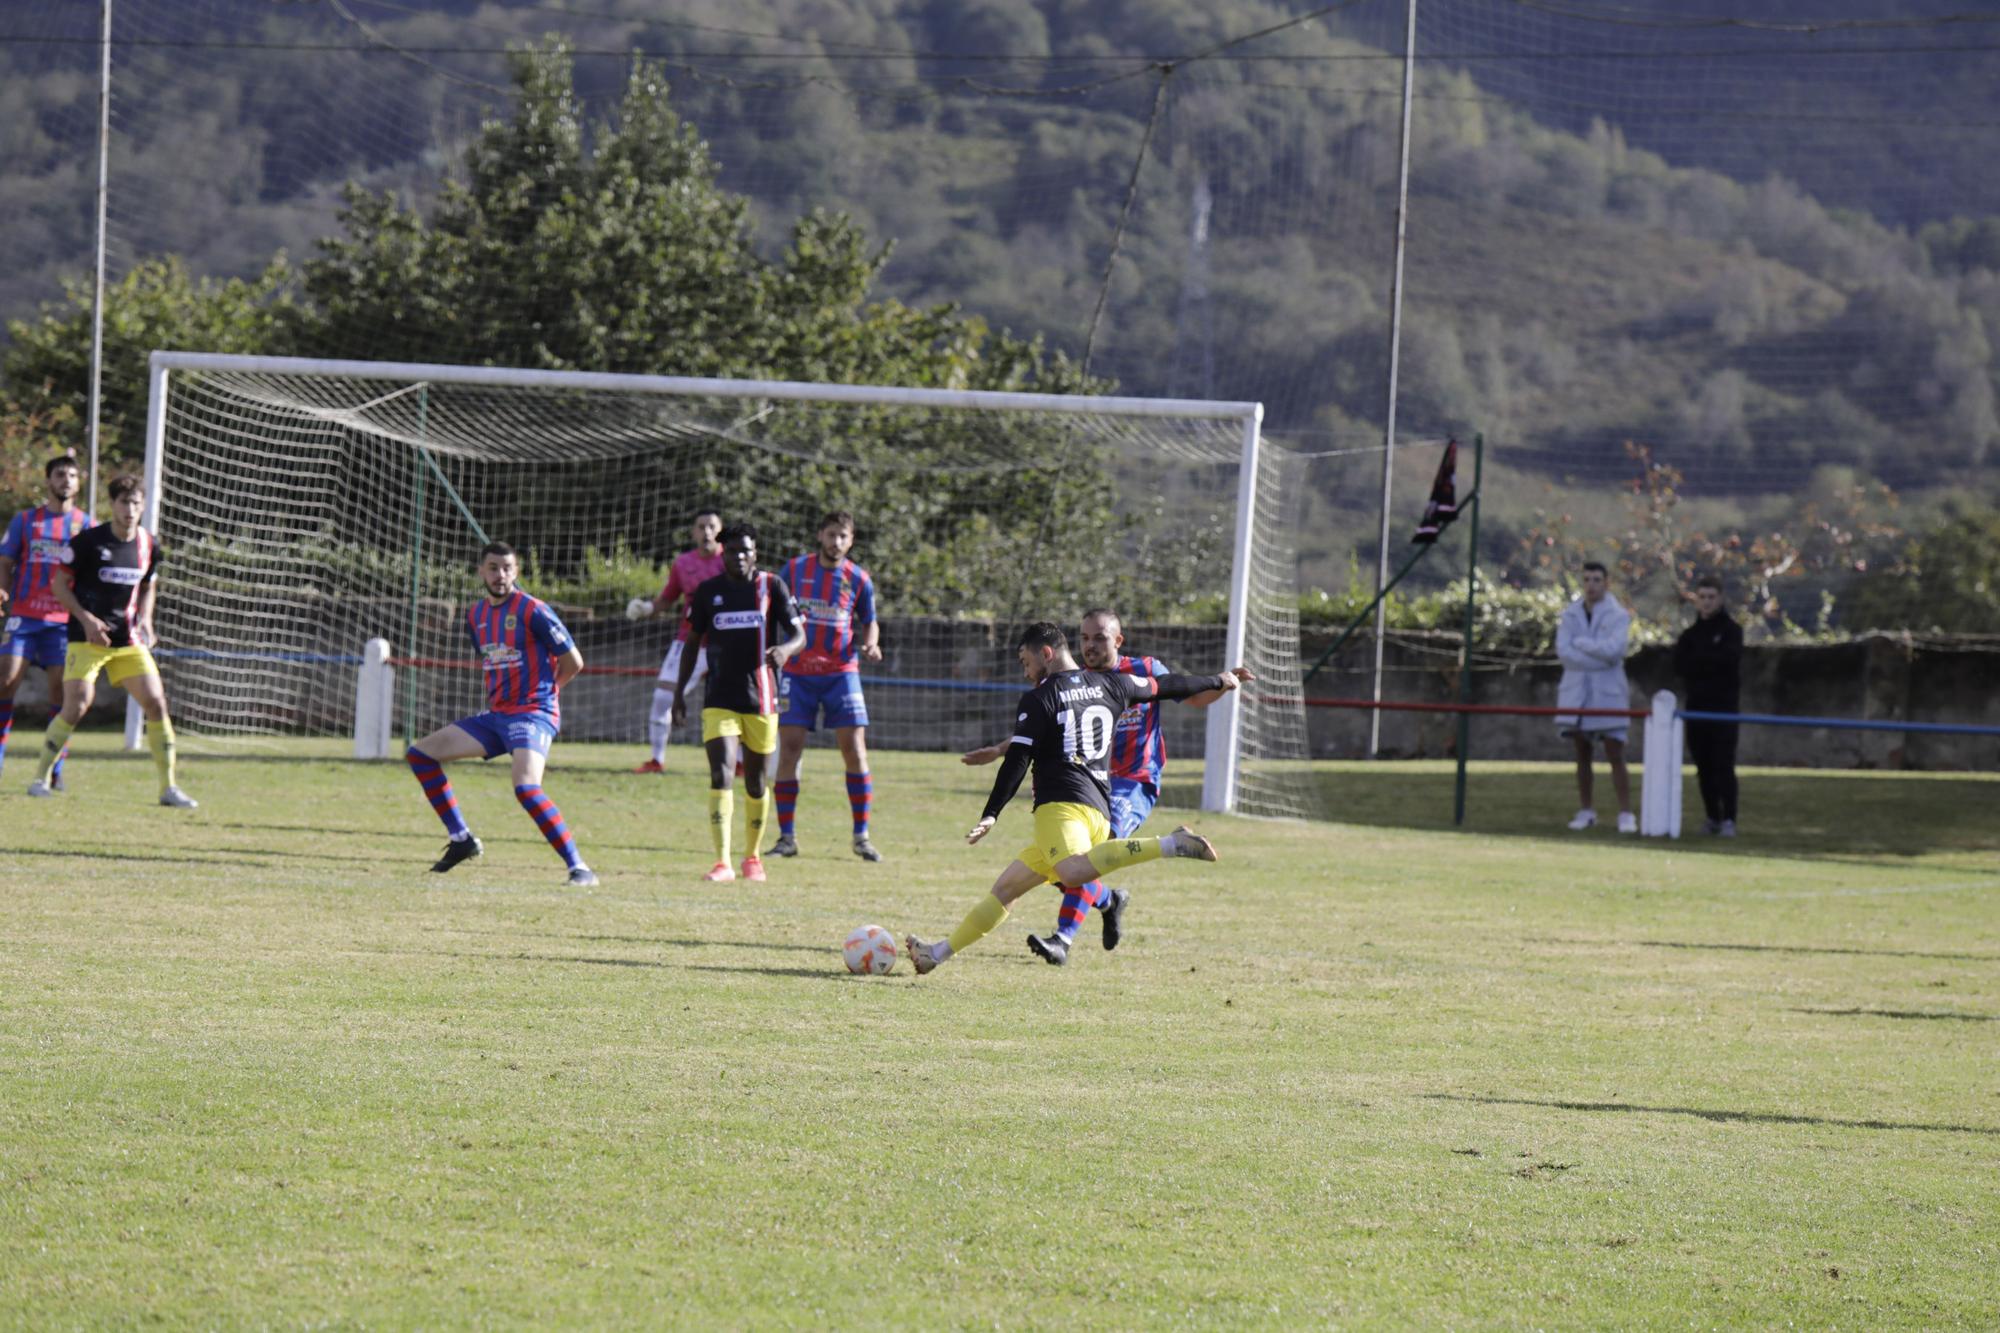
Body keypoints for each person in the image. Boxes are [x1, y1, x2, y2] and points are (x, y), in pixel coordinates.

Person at [904, 621, 1242, 977]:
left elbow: (1019, 759)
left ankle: (1172, 844)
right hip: (1097, 812)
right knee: (1005, 889)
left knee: (1073, 871)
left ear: (1046, 654)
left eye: (1026, 661)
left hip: (1060, 810)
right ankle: (935, 954)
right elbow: (1168, 685)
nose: (1026, 671)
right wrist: (1217, 680)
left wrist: (991, 813)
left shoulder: (1040, 697)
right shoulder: (1113, 682)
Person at [404, 541, 598, 886]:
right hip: (497, 716)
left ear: (516, 572)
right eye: (493, 567)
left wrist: (546, 696)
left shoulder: (533, 610)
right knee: (420, 755)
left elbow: (574, 662)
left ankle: (579, 868)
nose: (500, 575)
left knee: (526, 787)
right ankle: (462, 839)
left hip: (533, 714)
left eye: (507, 568)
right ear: (481, 571)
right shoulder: (475, 615)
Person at [26, 474, 195, 808]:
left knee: (157, 704)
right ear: (112, 504)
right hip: (86, 639)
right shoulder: (88, 542)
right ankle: (40, 778)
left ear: (143, 505)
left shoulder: (149, 544)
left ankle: (168, 788)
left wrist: (146, 619)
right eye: (123, 502)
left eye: (135, 503)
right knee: (77, 705)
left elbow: (148, 585)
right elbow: (59, 586)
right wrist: (86, 619)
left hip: (127, 640)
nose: (130, 509)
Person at [672, 522, 804, 883]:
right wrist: (678, 693)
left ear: (755, 553)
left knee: (757, 781)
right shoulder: (707, 592)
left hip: (762, 699)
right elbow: (691, 643)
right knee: (722, 773)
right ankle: (722, 862)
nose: (739, 556)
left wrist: (787, 650)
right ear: (722, 554)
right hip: (719, 699)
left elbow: (798, 633)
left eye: (746, 550)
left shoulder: (771, 586)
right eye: (732, 551)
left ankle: (753, 858)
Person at [771, 511, 883, 863]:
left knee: (854, 748)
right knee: (788, 749)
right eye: (831, 534)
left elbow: (870, 622)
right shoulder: (794, 570)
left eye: (843, 536)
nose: (836, 542)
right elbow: (773, 610)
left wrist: (872, 644)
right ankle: (786, 837)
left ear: (851, 540)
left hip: (841, 672)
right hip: (797, 671)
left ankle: (861, 836)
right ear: (820, 535)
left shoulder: (859, 579)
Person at [0, 455, 91, 790]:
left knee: (61, 692)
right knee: (5, 680)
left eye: (71, 475)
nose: (65, 480)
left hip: (63, 620)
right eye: (59, 475)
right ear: (48, 480)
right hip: (24, 616)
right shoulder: (26, 521)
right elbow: (6, 560)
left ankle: (54, 770)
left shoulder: (88, 526)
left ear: (78, 484)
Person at [626, 508, 725, 773]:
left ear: (720, 530)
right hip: (688, 642)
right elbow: (668, 598)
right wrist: (647, 609)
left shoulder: (731, 560)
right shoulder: (683, 563)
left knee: (732, 703)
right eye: (701, 526)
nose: (706, 532)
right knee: (661, 698)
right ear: (693, 532)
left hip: (724, 644)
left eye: (711, 526)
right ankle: (657, 760)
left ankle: (738, 763)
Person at [1555, 560, 1635, 833]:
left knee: (1615, 753)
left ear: (1606, 583)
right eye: (1587, 579)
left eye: (1596, 580)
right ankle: (1586, 809)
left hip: (1608, 694)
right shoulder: (1569, 615)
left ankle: (1625, 813)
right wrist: (1594, 653)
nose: (1591, 585)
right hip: (1577, 693)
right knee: (1582, 753)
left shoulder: (1618, 615)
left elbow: (1614, 652)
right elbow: (1564, 653)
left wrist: (1584, 644)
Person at [1674, 574, 1743, 836]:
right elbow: (1681, 666)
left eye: (1711, 597)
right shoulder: (1690, 635)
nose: (1706, 603)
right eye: (1702, 597)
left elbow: (1727, 663)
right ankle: (1712, 816)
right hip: (1697, 708)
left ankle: (1730, 819)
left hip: (1724, 710)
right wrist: (1705, 662)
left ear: (1721, 599)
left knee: (1723, 764)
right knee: (1702, 766)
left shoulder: (1731, 631)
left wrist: (1702, 662)